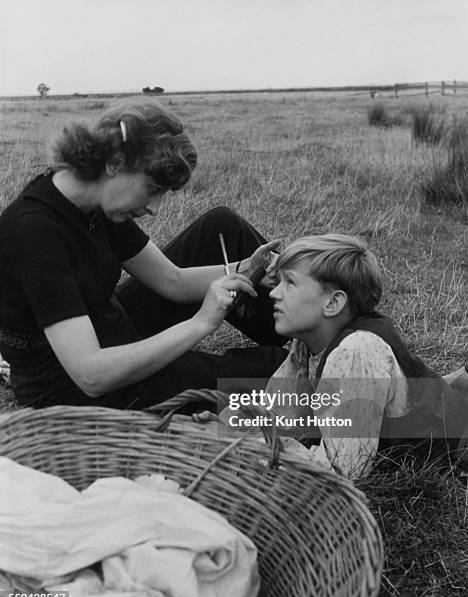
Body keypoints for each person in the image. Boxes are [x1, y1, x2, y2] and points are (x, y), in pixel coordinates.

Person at [0, 98, 288, 411]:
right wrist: (201, 323)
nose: (154, 208)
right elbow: (91, 375)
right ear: (114, 164)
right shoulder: (35, 232)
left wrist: (248, 266)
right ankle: (329, 393)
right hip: (75, 390)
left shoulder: (95, 200)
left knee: (222, 225)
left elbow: (173, 281)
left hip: (112, 326)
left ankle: (310, 332)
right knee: (265, 373)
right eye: (152, 189)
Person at [220, 234, 467, 480]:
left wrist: (256, 451)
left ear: (333, 303)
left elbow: (344, 470)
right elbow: (281, 410)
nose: (273, 293)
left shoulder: (355, 351)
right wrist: (227, 428)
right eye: (278, 281)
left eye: (290, 283)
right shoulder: (310, 340)